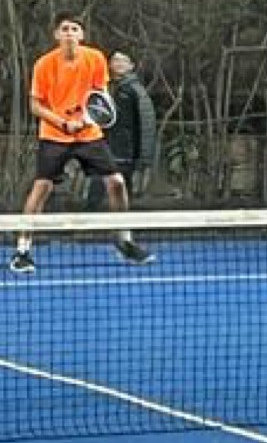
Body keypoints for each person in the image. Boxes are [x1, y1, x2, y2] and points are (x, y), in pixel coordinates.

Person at [9, 16, 152, 274]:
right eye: (64, 29)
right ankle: (22, 251)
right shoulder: (44, 64)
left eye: (74, 29)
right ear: (56, 35)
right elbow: (35, 106)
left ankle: (125, 241)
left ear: (81, 35)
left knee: (117, 183)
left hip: (88, 134)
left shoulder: (95, 59)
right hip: (54, 135)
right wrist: (63, 123)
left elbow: (101, 97)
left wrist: (85, 121)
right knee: (41, 188)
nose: (70, 33)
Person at [86, 49, 160, 210]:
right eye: (115, 60)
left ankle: (124, 224)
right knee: (95, 191)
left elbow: (147, 125)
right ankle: (87, 223)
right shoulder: (103, 88)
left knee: (122, 192)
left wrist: (144, 158)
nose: (119, 64)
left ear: (131, 66)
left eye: (123, 61)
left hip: (126, 153)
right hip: (103, 149)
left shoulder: (137, 91)